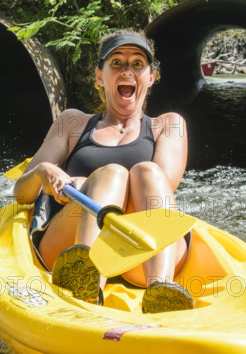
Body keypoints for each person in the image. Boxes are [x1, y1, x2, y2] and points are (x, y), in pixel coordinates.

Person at [13, 29, 193, 313]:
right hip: (67, 243)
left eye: (137, 64)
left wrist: (92, 181)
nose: (127, 71)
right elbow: (21, 194)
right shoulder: (72, 123)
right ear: (100, 75)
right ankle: (86, 276)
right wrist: (42, 172)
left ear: (151, 77)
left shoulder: (168, 125)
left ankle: (160, 289)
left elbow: (161, 189)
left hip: (141, 250)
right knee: (112, 173)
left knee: (143, 172)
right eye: (117, 63)